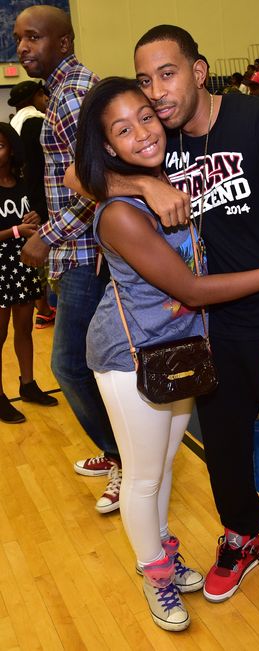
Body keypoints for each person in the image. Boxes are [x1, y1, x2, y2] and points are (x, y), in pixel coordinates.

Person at [66, 24, 259, 617]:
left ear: (199, 69)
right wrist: (139, 181)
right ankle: (241, 537)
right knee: (227, 451)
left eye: (167, 74)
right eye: (145, 81)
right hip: (207, 331)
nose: (157, 93)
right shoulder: (158, 143)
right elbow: (77, 172)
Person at [13, 4, 121, 513]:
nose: (22, 47)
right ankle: (117, 450)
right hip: (73, 250)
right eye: (18, 39)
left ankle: (123, 456)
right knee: (89, 363)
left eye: (32, 37)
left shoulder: (76, 95)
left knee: (71, 364)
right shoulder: (64, 89)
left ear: (64, 41)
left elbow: (98, 185)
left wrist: (47, 237)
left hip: (84, 253)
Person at [0, 122, 58, 423]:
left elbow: (37, 217)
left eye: (0, 146)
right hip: (0, 266)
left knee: (23, 329)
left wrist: (36, 217)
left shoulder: (24, 183)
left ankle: (28, 384)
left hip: (21, 263)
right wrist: (15, 230)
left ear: (11, 149)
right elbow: (12, 229)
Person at [8, 80, 56, 329]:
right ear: (35, 97)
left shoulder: (13, 124)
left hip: (18, 202)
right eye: (43, 96)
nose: (46, 101)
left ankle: (43, 309)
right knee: (41, 259)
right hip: (37, 203)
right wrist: (41, 207)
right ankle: (45, 309)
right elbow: (39, 171)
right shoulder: (36, 122)